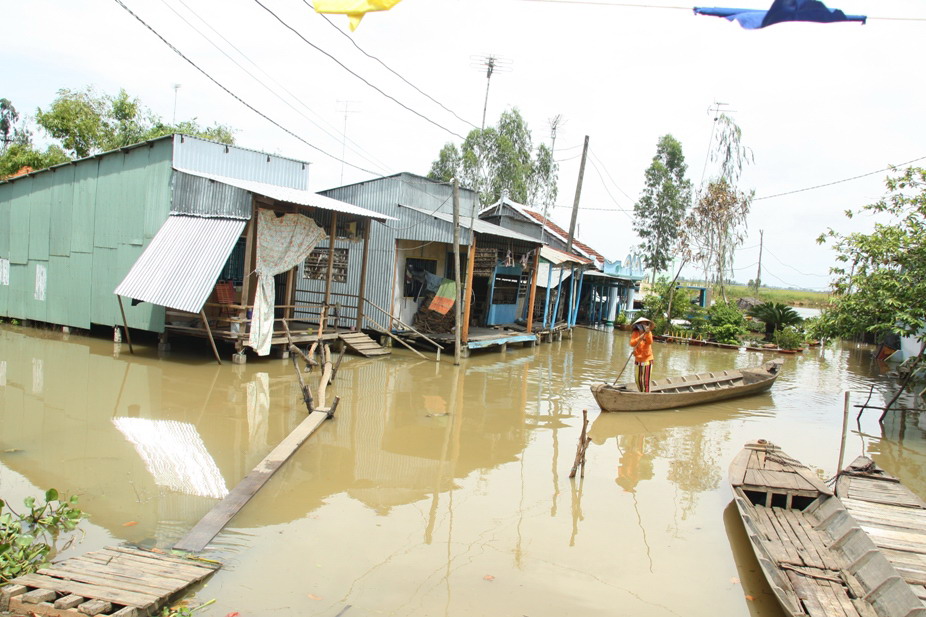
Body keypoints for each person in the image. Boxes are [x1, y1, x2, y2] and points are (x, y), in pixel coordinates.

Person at [629, 317, 654, 393]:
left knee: (646, 381)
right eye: (641, 324)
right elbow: (632, 343)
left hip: (647, 359)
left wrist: (647, 333)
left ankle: (646, 395)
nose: (643, 325)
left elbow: (650, 342)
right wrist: (640, 337)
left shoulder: (648, 333)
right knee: (638, 380)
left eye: (645, 324)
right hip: (638, 359)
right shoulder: (635, 333)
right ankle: (641, 392)